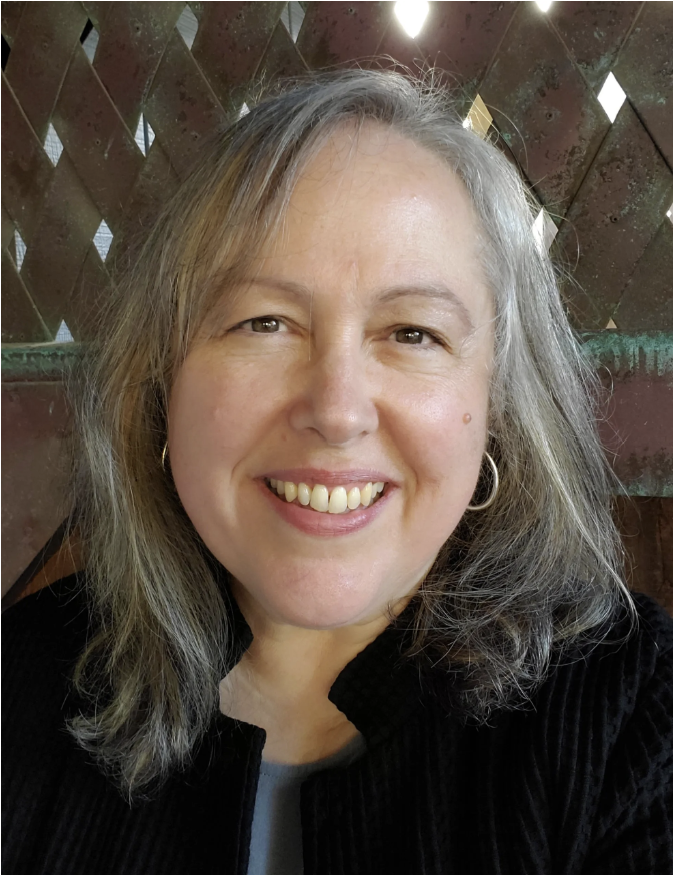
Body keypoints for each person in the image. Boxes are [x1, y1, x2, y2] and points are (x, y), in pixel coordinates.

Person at [3, 70, 671, 875]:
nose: (338, 409)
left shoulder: (635, 720)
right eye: (265, 321)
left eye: (413, 333)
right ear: (162, 387)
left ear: (496, 403)